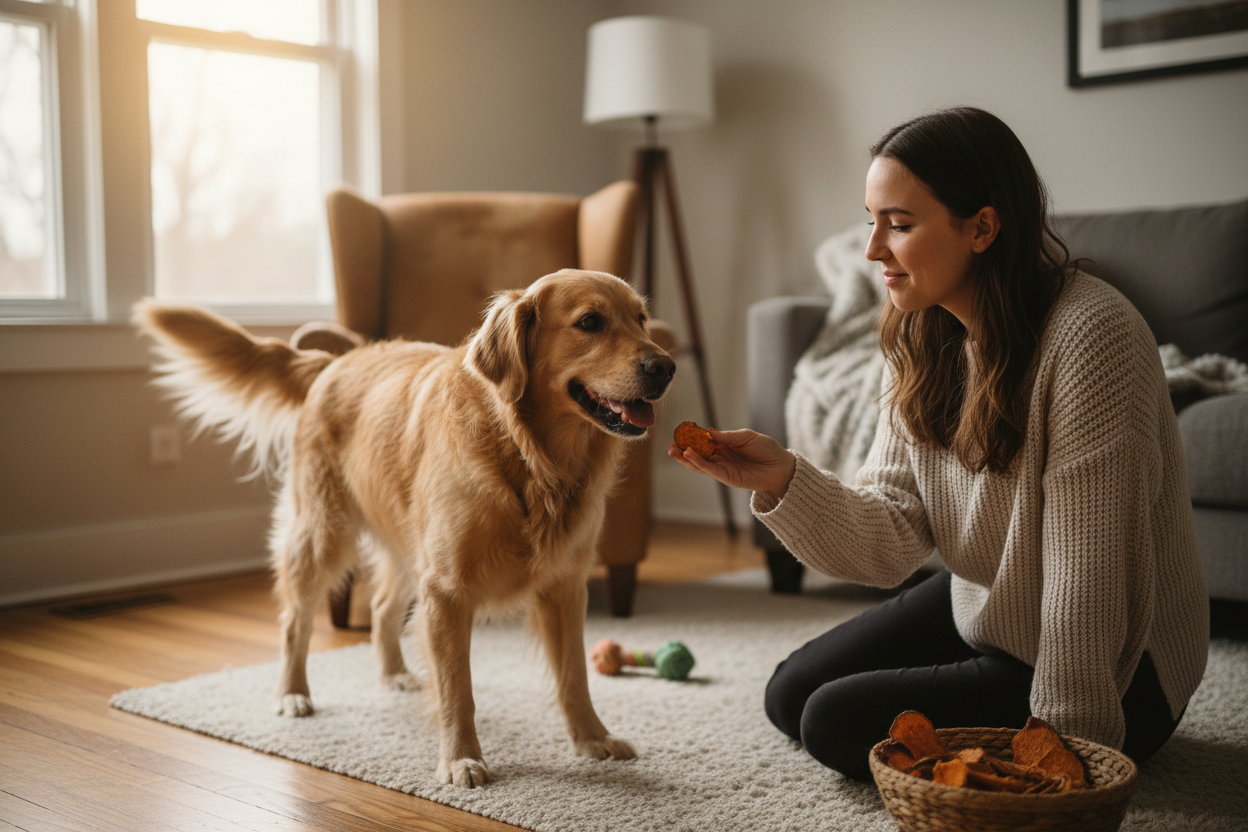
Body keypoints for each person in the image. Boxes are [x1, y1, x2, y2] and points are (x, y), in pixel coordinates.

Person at [669, 106, 1209, 782]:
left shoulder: (1092, 338)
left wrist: (1071, 754)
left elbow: (1088, 578)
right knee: (788, 694)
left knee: (831, 722)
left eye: (898, 225)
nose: (872, 250)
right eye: (872, 221)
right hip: (1002, 599)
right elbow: (891, 533)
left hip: (1122, 663)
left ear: (981, 227)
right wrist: (782, 479)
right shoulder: (923, 333)